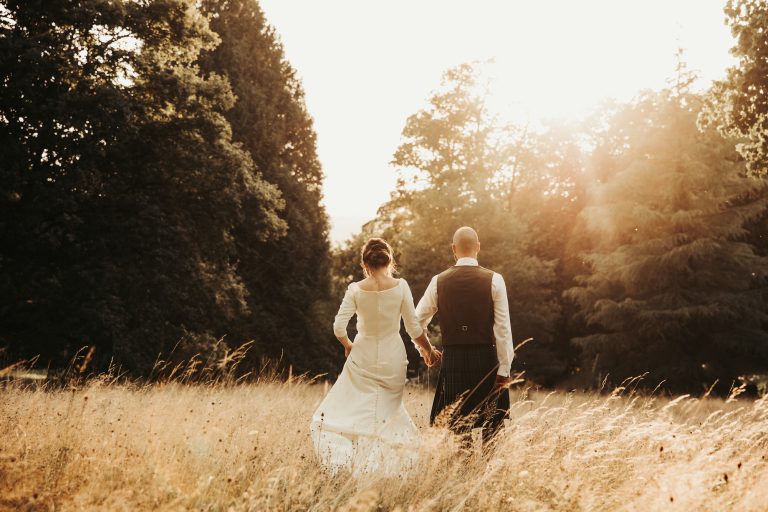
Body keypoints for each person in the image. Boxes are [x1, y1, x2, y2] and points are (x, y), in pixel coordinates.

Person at [310, 238, 441, 475]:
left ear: (364, 263)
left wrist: (349, 345)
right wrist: (429, 351)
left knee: (351, 410)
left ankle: (355, 467)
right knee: (386, 413)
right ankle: (385, 468)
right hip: (393, 358)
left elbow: (339, 327)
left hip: (362, 356)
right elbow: (413, 328)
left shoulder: (355, 289)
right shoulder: (401, 286)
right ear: (390, 260)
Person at [415, 226, 514, 444]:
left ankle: (463, 474)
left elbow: (415, 322)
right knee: (491, 427)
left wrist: (427, 351)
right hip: (487, 362)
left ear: (453, 249)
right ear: (478, 247)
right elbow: (503, 329)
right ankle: (489, 475)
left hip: (453, 361)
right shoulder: (495, 280)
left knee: (459, 427)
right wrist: (505, 369)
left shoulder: (438, 281)